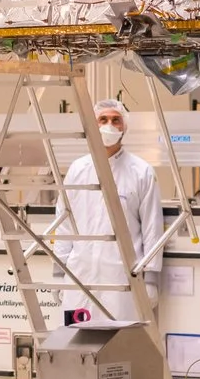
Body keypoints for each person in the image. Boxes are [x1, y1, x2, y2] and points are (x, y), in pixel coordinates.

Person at [56, 94, 163, 322]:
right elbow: (65, 222)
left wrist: (151, 278)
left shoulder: (141, 172)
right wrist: (59, 272)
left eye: (116, 120)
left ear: (125, 127)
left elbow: (153, 229)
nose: (109, 125)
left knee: (119, 345)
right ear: (93, 125)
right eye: (102, 120)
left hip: (121, 277)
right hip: (80, 276)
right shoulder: (78, 169)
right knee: (78, 345)